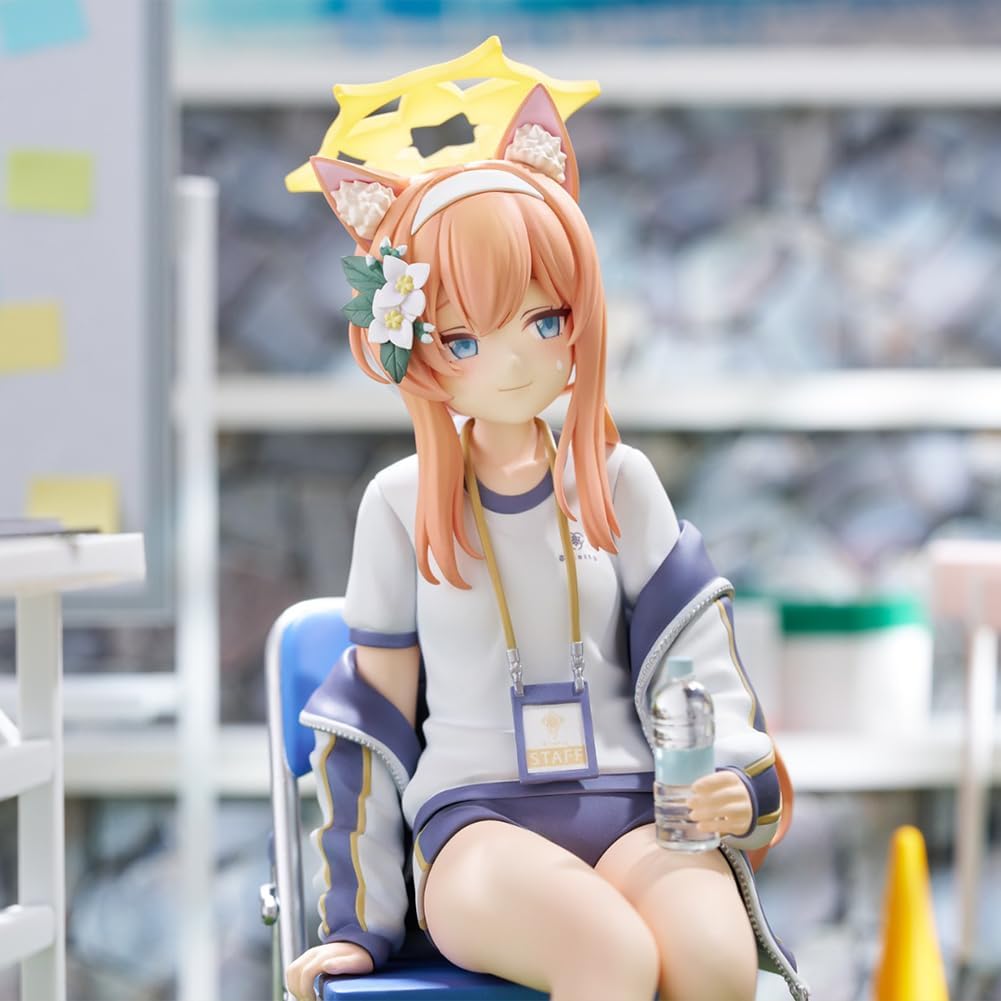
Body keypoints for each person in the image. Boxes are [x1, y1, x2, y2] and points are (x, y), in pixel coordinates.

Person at [284, 75, 808, 1001]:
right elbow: (372, 719)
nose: (516, 358)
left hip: (638, 809)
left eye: (544, 319)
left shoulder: (618, 481)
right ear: (412, 344)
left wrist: (731, 776)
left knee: (716, 965)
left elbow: (696, 667)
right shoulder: (401, 503)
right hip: (476, 822)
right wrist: (357, 920)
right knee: (609, 957)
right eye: (463, 337)